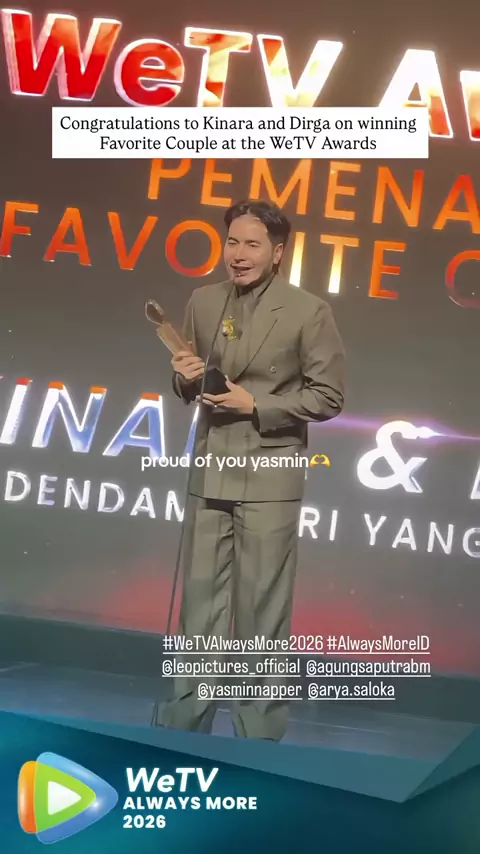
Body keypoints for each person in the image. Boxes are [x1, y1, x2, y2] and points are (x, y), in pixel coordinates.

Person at [157, 199, 345, 740]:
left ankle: (257, 740)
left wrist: (256, 404)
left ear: (278, 252)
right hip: (210, 470)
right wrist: (186, 376)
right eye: (232, 242)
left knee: (261, 616)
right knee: (198, 612)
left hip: (269, 476)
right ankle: (182, 731)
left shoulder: (309, 311)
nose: (238, 254)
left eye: (253, 244)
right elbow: (191, 383)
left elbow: (328, 397)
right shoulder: (203, 300)